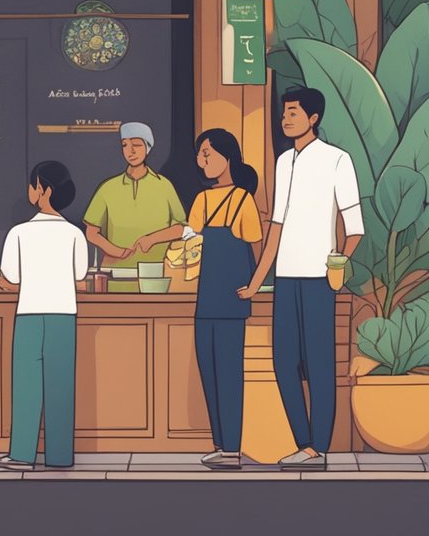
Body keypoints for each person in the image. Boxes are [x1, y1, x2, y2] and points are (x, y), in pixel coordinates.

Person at [238, 88, 363, 471]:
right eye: (284, 113)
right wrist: (259, 280)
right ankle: (303, 443)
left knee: (321, 363)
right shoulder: (283, 161)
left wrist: (336, 264)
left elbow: (354, 227)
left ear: (313, 119)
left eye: (293, 113)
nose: (285, 119)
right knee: (283, 362)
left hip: (318, 280)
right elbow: (276, 225)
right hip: (286, 278)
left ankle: (318, 448)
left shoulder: (337, 160)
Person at [134, 130, 262, 470]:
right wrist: (152, 238)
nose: (200, 160)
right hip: (206, 297)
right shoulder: (203, 200)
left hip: (233, 296)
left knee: (230, 372)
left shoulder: (244, 201)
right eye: (199, 154)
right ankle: (220, 444)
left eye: (207, 153)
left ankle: (233, 448)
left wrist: (256, 285)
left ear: (227, 156)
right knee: (210, 369)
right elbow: (186, 231)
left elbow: (256, 244)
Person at [0, 161, 88, 472]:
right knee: (61, 385)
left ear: (43, 190)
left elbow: (10, 279)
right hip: (64, 315)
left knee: (28, 385)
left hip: (30, 313)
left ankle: (22, 455)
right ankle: (60, 456)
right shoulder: (74, 234)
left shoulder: (20, 233)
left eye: (33, 185)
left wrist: (1, 282)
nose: (30, 191)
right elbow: (81, 274)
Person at [84, 122, 186, 269]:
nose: (130, 151)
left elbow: (181, 228)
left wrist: (151, 239)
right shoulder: (107, 188)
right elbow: (91, 233)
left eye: (136, 145)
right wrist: (117, 252)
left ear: (148, 147)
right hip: (114, 271)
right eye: (125, 145)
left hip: (156, 271)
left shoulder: (164, 186)